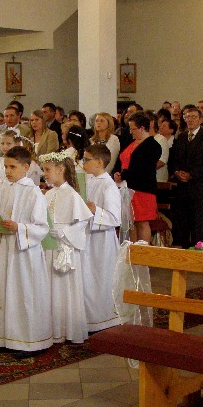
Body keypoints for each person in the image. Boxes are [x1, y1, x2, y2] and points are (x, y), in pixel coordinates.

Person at [0, 146, 52, 359]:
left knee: (25, 294)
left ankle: (32, 342)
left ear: (26, 167)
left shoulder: (34, 192)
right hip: (8, 249)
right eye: (6, 167)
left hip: (25, 252)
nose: (8, 171)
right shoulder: (5, 189)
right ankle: (10, 339)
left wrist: (19, 227)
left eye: (12, 167)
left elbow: (42, 227)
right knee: (8, 293)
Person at [41, 151, 92, 344]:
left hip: (65, 246)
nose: (45, 174)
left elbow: (83, 221)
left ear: (60, 169)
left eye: (48, 170)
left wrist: (65, 232)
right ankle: (51, 328)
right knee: (50, 286)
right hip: (49, 246)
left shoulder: (72, 194)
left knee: (65, 287)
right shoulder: (49, 194)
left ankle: (68, 329)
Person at [81, 144, 121, 332]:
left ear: (99, 162)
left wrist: (95, 210)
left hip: (102, 241)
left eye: (86, 159)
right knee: (87, 279)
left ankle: (103, 319)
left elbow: (115, 218)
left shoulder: (108, 185)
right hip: (87, 237)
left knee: (100, 279)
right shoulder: (88, 181)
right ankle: (88, 319)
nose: (83, 163)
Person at [168, 107, 203, 247]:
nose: (190, 120)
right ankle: (184, 253)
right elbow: (173, 160)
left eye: (194, 117)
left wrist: (191, 175)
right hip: (182, 188)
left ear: (200, 120)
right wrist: (176, 172)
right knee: (182, 225)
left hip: (199, 188)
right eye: (188, 117)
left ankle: (198, 253)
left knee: (198, 226)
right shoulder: (181, 137)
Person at [114, 111, 161, 243]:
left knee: (142, 222)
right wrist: (117, 173)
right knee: (131, 222)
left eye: (133, 128)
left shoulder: (152, 146)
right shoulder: (131, 142)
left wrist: (123, 175)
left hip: (142, 188)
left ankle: (143, 250)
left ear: (142, 128)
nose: (130, 132)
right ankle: (133, 250)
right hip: (128, 187)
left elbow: (142, 168)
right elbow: (121, 160)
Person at [0, 129, 18, 194]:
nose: (4, 146)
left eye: (8, 144)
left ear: (16, 144)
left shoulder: (19, 162)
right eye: (2, 143)